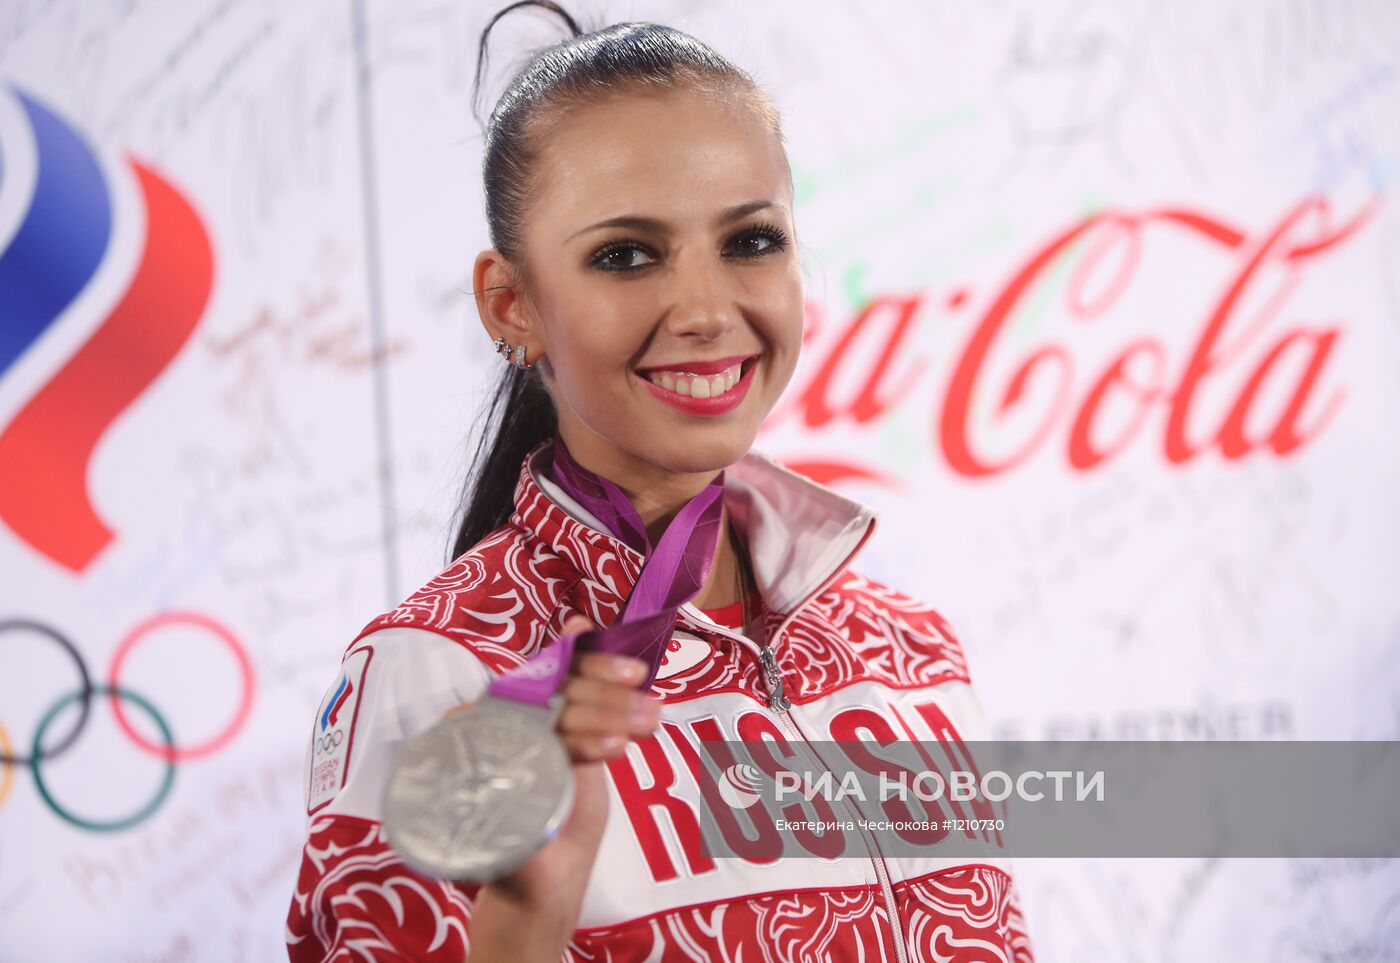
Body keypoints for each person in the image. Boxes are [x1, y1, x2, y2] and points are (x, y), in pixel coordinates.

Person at [285, 4, 1036, 961]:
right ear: (512, 304)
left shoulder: (911, 649)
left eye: (750, 241)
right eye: (626, 256)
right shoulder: (440, 675)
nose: (704, 309)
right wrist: (525, 921)